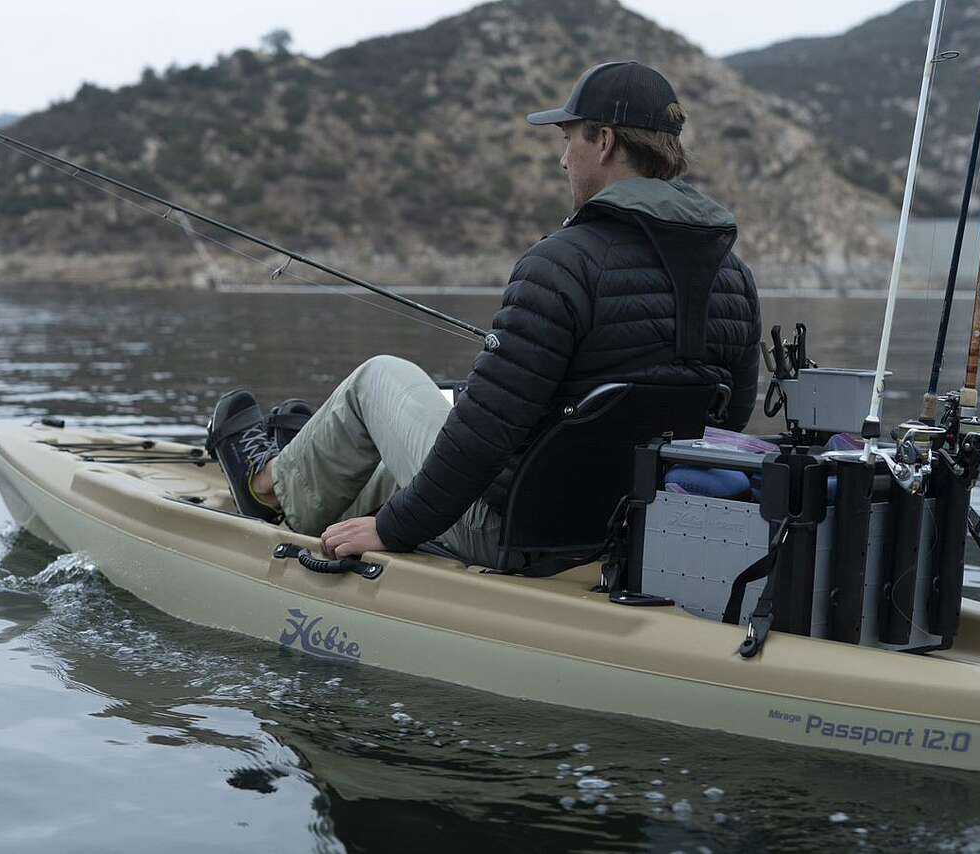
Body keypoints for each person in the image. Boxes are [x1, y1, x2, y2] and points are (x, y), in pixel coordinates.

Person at [206, 61, 763, 568]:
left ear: (605, 141)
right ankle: (313, 467)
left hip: (512, 532)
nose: (563, 159)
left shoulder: (562, 264)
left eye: (568, 139)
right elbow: (726, 423)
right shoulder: (734, 276)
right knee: (449, 404)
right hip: (626, 532)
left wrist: (393, 529)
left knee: (382, 377)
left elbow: (483, 435)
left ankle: (268, 488)